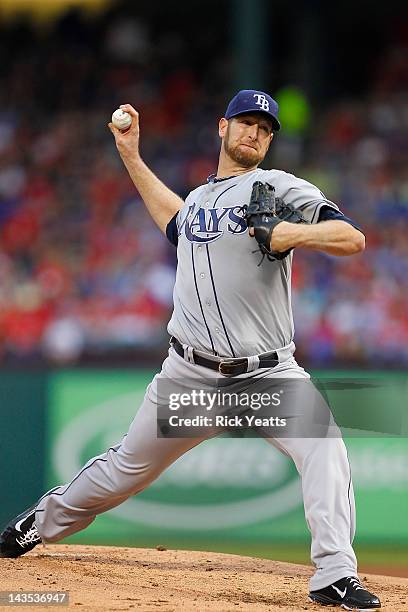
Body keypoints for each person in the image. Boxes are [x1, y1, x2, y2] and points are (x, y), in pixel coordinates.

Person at [0, 90, 380, 610]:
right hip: (192, 379)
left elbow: (350, 238)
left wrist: (287, 232)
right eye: (246, 122)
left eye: (265, 129)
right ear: (222, 128)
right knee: (122, 472)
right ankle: (36, 525)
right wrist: (131, 156)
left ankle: (334, 574)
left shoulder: (278, 187)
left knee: (325, 448)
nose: (255, 133)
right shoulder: (199, 201)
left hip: (265, 377)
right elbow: (174, 220)